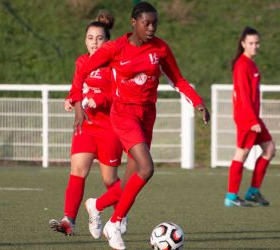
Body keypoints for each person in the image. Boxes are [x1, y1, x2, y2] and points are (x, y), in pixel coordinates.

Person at [72, 2, 210, 249]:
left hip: (147, 115)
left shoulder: (160, 48)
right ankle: (114, 223)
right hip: (124, 114)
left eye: (155, 23)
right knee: (146, 168)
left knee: (129, 181)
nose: (151, 27)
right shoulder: (115, 48)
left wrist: (197, 102)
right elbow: (83, 70)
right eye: (146, 23)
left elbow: (176, 78)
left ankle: (97, 205)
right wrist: (78, 103)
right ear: (133, 23)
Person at [49, 10, 127, 238]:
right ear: (85, 40)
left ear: (107, 41)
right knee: (77, 171)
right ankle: (68, 220)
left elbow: (120, 95)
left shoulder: (115, 65)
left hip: (110, 128)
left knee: (109, 179)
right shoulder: (82, 62)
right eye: (90, 38)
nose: (94, 43)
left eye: (99, 38)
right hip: (86, 127)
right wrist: (70, 99)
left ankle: (119, 214)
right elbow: (77, 89)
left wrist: (98, 99)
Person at [224, 27, 276, 207]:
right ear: (243, 44)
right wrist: (252, 121)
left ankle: (253, 191)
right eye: (251, 43)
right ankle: (231, 196)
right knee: (242, 153)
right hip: (247, 117)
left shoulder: (251, 64)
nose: (255, 46)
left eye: (257, 43)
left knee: (269, 149)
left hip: (253, 116)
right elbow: (243, 96)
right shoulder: (242, 65)